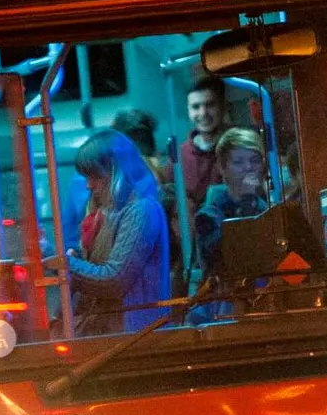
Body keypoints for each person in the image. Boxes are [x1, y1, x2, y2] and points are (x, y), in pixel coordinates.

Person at [63, 130, 171, 335]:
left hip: (136, 334)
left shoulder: (142, 211)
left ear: (116, 172)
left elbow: (115, 279)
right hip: (111, 333)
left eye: (95, 176)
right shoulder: (106, 213)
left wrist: (66, 264)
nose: (89, 185)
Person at [194, 127, 271, 269]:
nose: (248, 167)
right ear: (222, 168)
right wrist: (246, 200)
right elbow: (231, 258)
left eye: (255, 160)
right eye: (238, 162)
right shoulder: (209, 215)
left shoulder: (265, 208)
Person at [179, 76, 228, 209]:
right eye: (195, 107)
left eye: (210, 105)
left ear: (222, 107)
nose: (203, 113)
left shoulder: (239, 146)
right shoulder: (179, 156)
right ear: (188, 111)